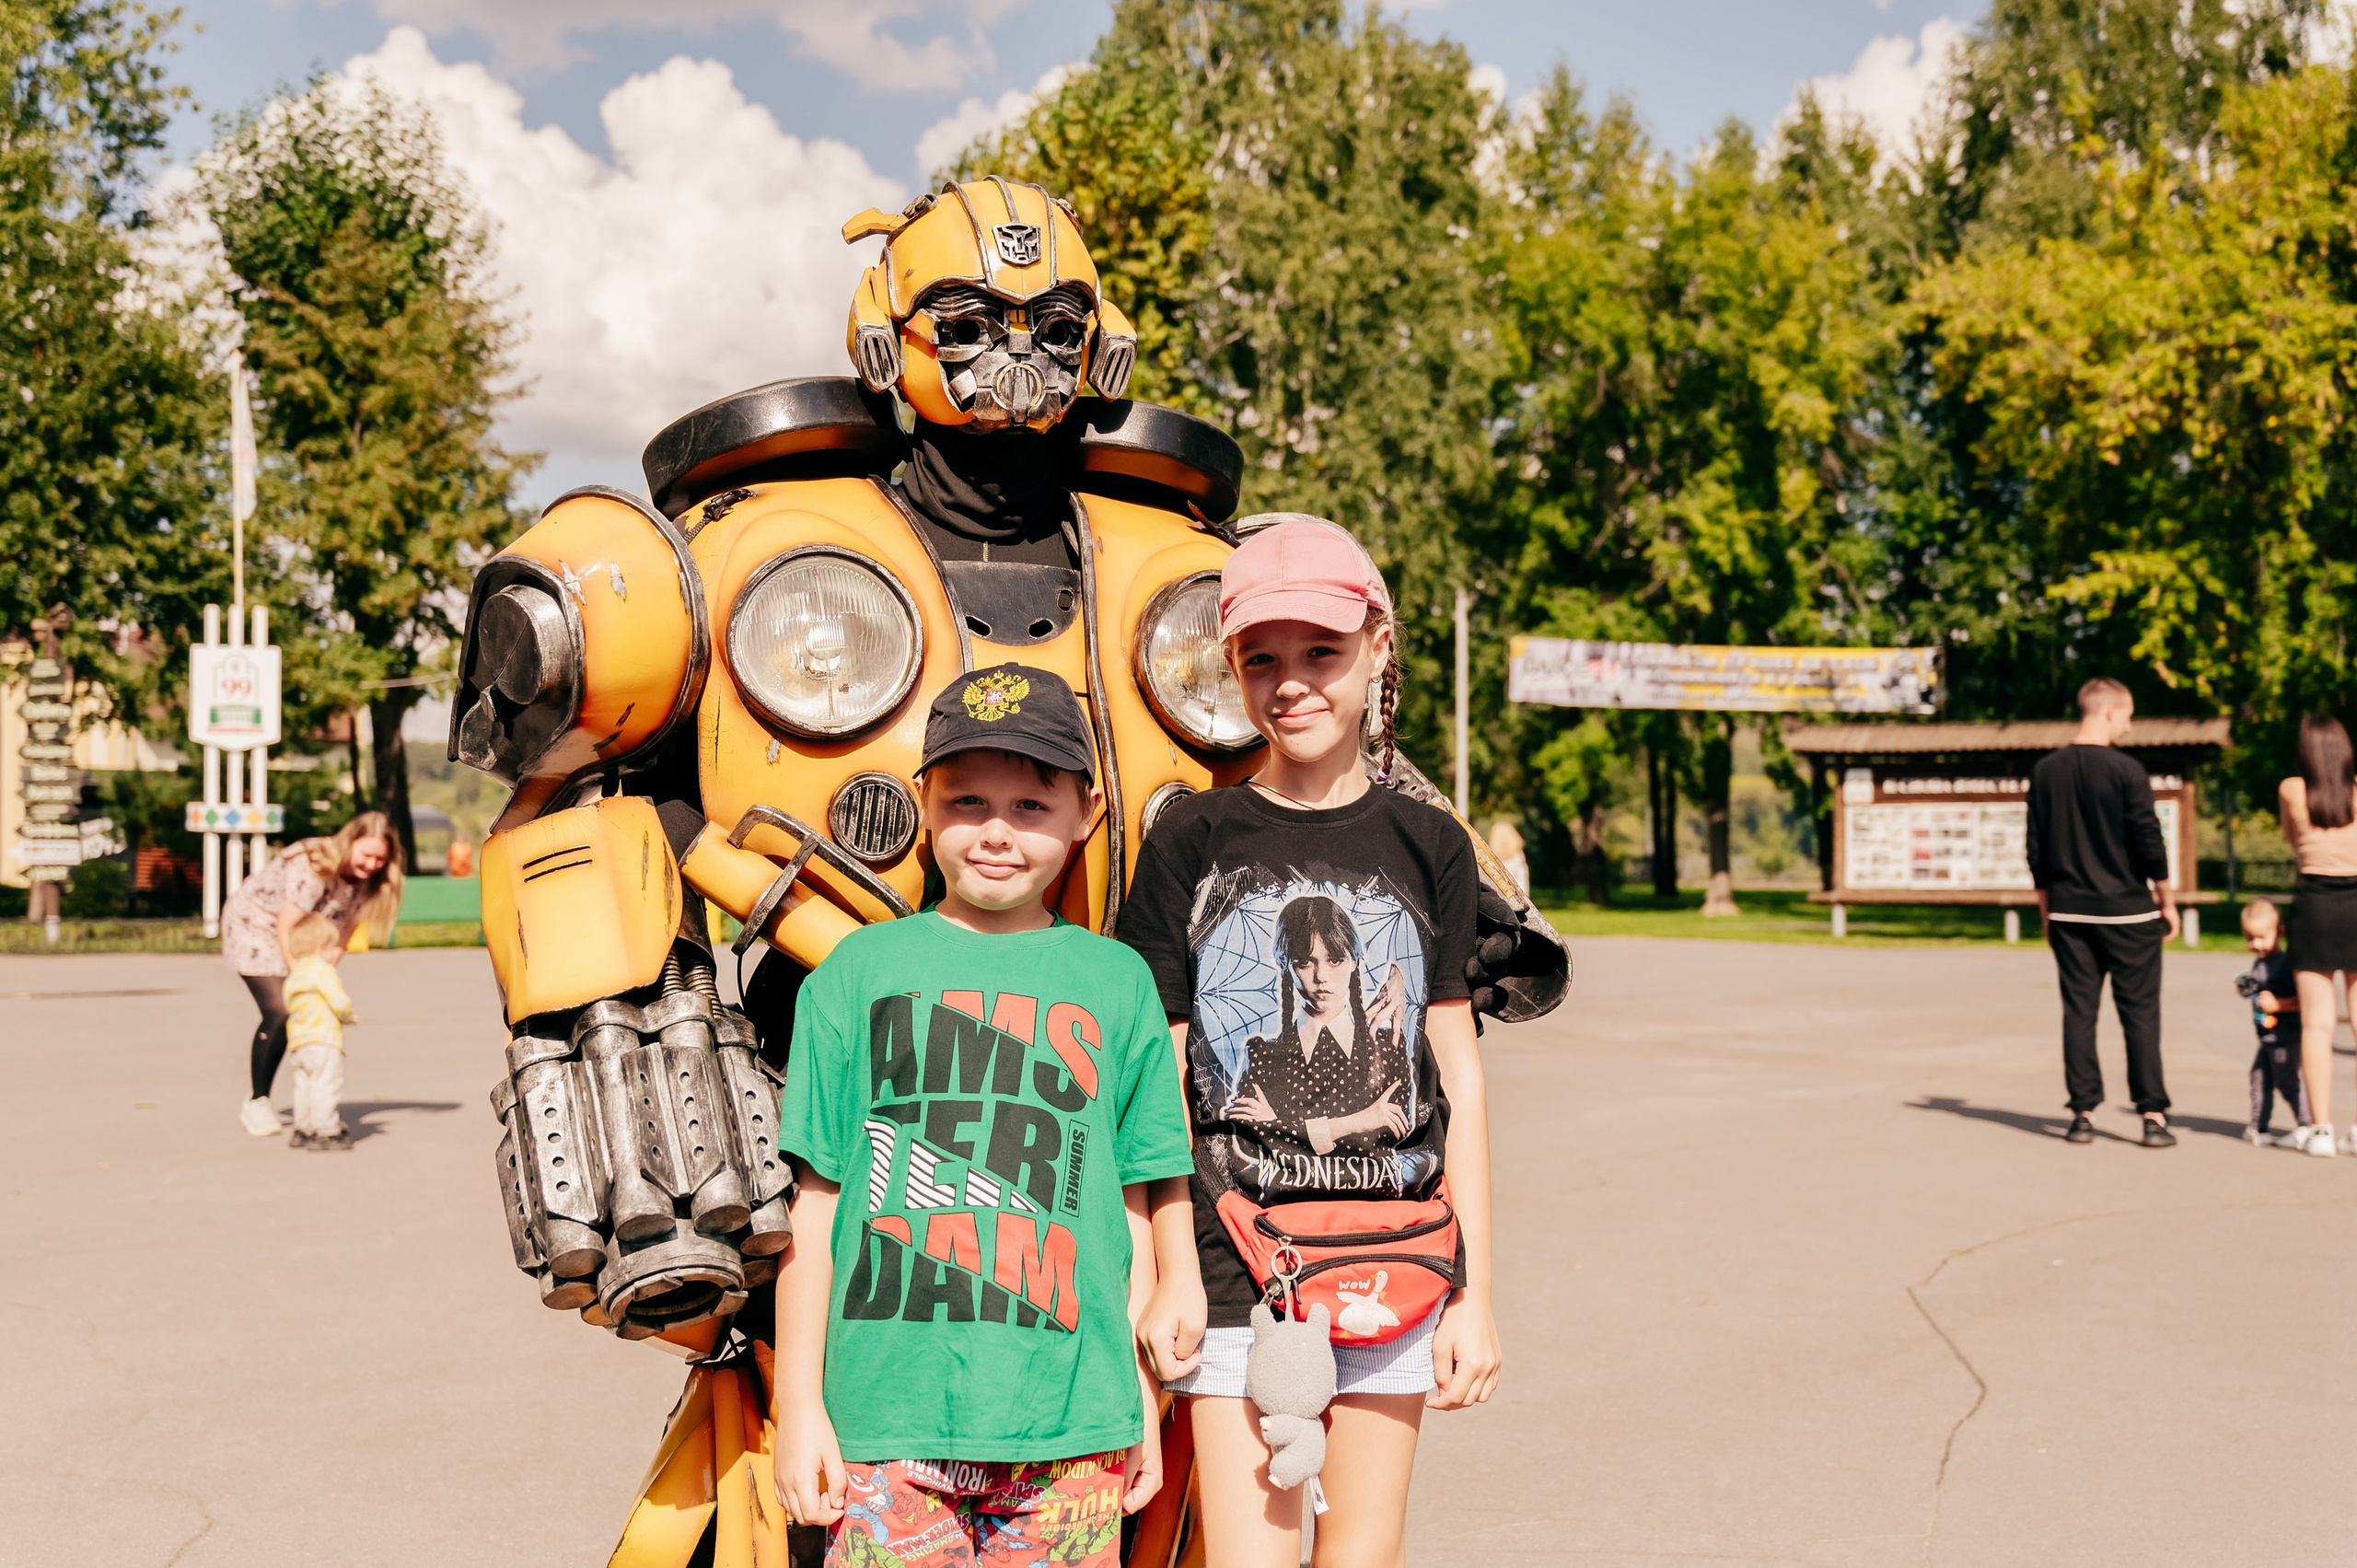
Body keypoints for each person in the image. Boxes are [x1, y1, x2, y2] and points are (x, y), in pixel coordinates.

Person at [1120, 517, 1500, 1568]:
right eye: (1261, 658)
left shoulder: (1430, 844)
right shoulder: (1191, 838)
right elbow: (1158, 1077)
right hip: (1237, 1261)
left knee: (1364, 1552)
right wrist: (1165, 1273)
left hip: (1398, 1252)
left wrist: (1475, 1291)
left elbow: (1454, 1073)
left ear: (1378, 646)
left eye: (1321, 651)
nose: (1291, 683)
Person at [771, 664, 1200, 1568]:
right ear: (925, 802)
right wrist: (799, 1405)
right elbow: (813, 1204)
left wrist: (1137, 1407)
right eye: (968, 801)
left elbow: (1131, 1211)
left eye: (1030, 807)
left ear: (1085, 812)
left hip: (1071, 1425)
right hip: (885, 1418)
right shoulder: (856, 970)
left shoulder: (1116, 980)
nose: (997, 832)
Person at [2027, 678, 2180, 1148]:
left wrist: (2047, 908)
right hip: (2128, 914)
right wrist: (2166, 898)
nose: (2130, 726)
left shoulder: (2046, 771)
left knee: (2079, 1012)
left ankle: (2082, 1113)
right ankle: (2152, 1116)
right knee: (2140, 1014)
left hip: (2070, 913)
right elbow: (2147, 840)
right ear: (2110, 711)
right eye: (2129, 715)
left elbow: (2036, 848)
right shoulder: (2126, 770)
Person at [220, 812, 401, 1138]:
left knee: (298, 1011)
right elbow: (284, 925)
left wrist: (322, 977)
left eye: (380, 859)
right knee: (281, 1010)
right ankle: (257, 1101)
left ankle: (310, 1112)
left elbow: (342, 936)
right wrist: (301, 976)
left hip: (300, 935)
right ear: (349, 843)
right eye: (366, 854)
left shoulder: (368, 882)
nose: (372, 863)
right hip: (255, 924)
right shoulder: (314, 864)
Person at [2282, 714, 2357, 1157]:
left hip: (2314, 901)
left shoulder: (2292, 789)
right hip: (2356, 900)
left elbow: (2294, 842)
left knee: (2316, 1022)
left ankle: (2321, 1130)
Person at [280, 912, 358, 1152]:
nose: (334, 952)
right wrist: (347, 1017)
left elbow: (288, 1005)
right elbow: (339, 1001)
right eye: (330, 947)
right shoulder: (322, 972)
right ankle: (326, 1131)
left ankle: (303, 1128)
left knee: (304, 1086)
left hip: (300, 1042)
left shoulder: (294, 977)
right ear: (319, 947)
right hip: (324, 1040)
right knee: (326, 1084)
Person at [2236, 900, 2305, 1148]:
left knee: (2287, 1082)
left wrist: (2278, 1006)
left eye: (2262, 937)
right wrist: (2249, 990)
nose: (2255, 944)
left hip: (2284, 1037)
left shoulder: (2287, 965)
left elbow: (2302, 1000)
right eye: (2249, 938)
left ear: (2280, 932)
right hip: (2266, 1036)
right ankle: (2258, 1127)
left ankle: (2307, 1125)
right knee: (2258, 1078)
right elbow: (2260, 992)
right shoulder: (2260, 962)